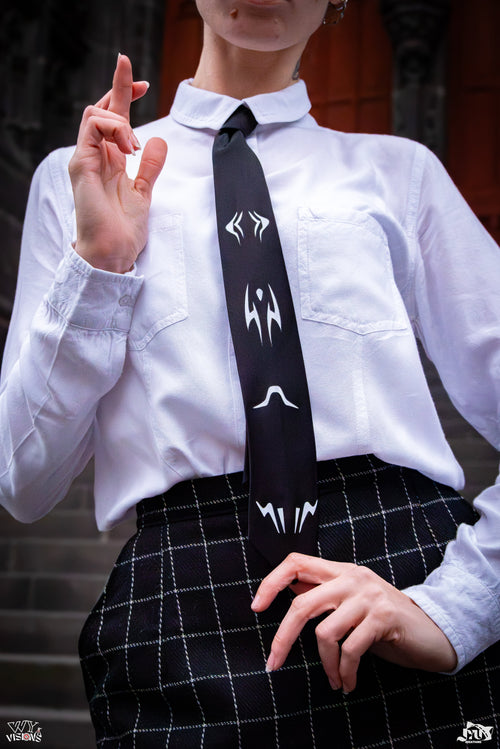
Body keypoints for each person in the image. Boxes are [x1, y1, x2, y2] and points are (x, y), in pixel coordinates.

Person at [1, 0, 500, 746]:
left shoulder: (401, 174)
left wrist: (459, 604)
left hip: (399, 572)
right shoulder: (81, 178)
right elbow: (23, 479)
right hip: (181, 603)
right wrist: (100, 266)